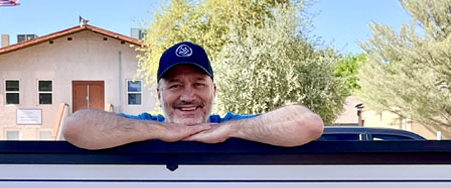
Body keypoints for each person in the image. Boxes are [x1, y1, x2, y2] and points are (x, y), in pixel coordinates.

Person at [62, 41, 324, 149]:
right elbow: (75, 127)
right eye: (175, 86)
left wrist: (229, 129)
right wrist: (161, 131)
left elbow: (307, 124)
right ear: (159, 94)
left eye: (198, 84)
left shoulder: (230, 125)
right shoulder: (142, 125)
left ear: (213, 91)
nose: (188, 96)